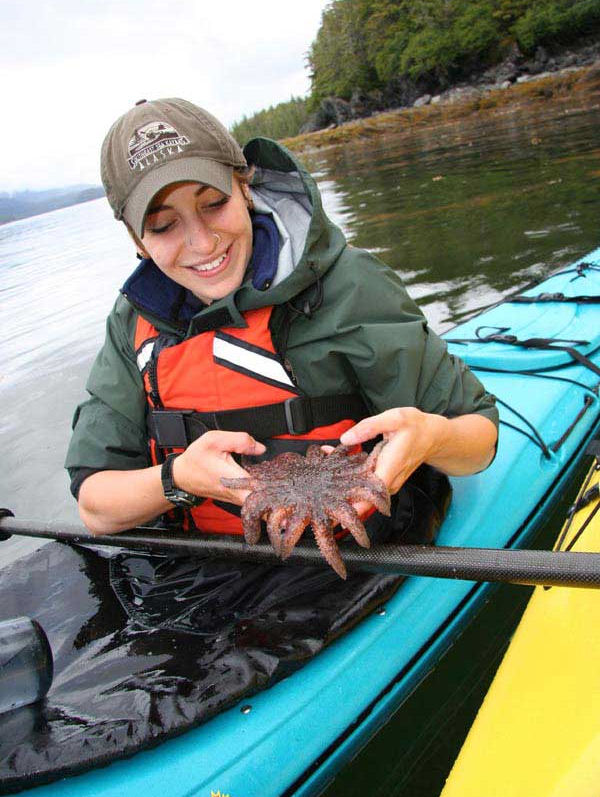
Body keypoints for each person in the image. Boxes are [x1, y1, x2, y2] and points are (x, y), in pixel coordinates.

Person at [65, 97, 498, 541]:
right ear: (137, 239)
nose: (201, 242)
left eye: (213, 203)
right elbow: (96, 508)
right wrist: (176, 479)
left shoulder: (350, 287)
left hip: (358, 547)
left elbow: (480, 439)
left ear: (244, 186)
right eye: (162, 226)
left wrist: (430, 436)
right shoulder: (131, 323)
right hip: (210, 561)